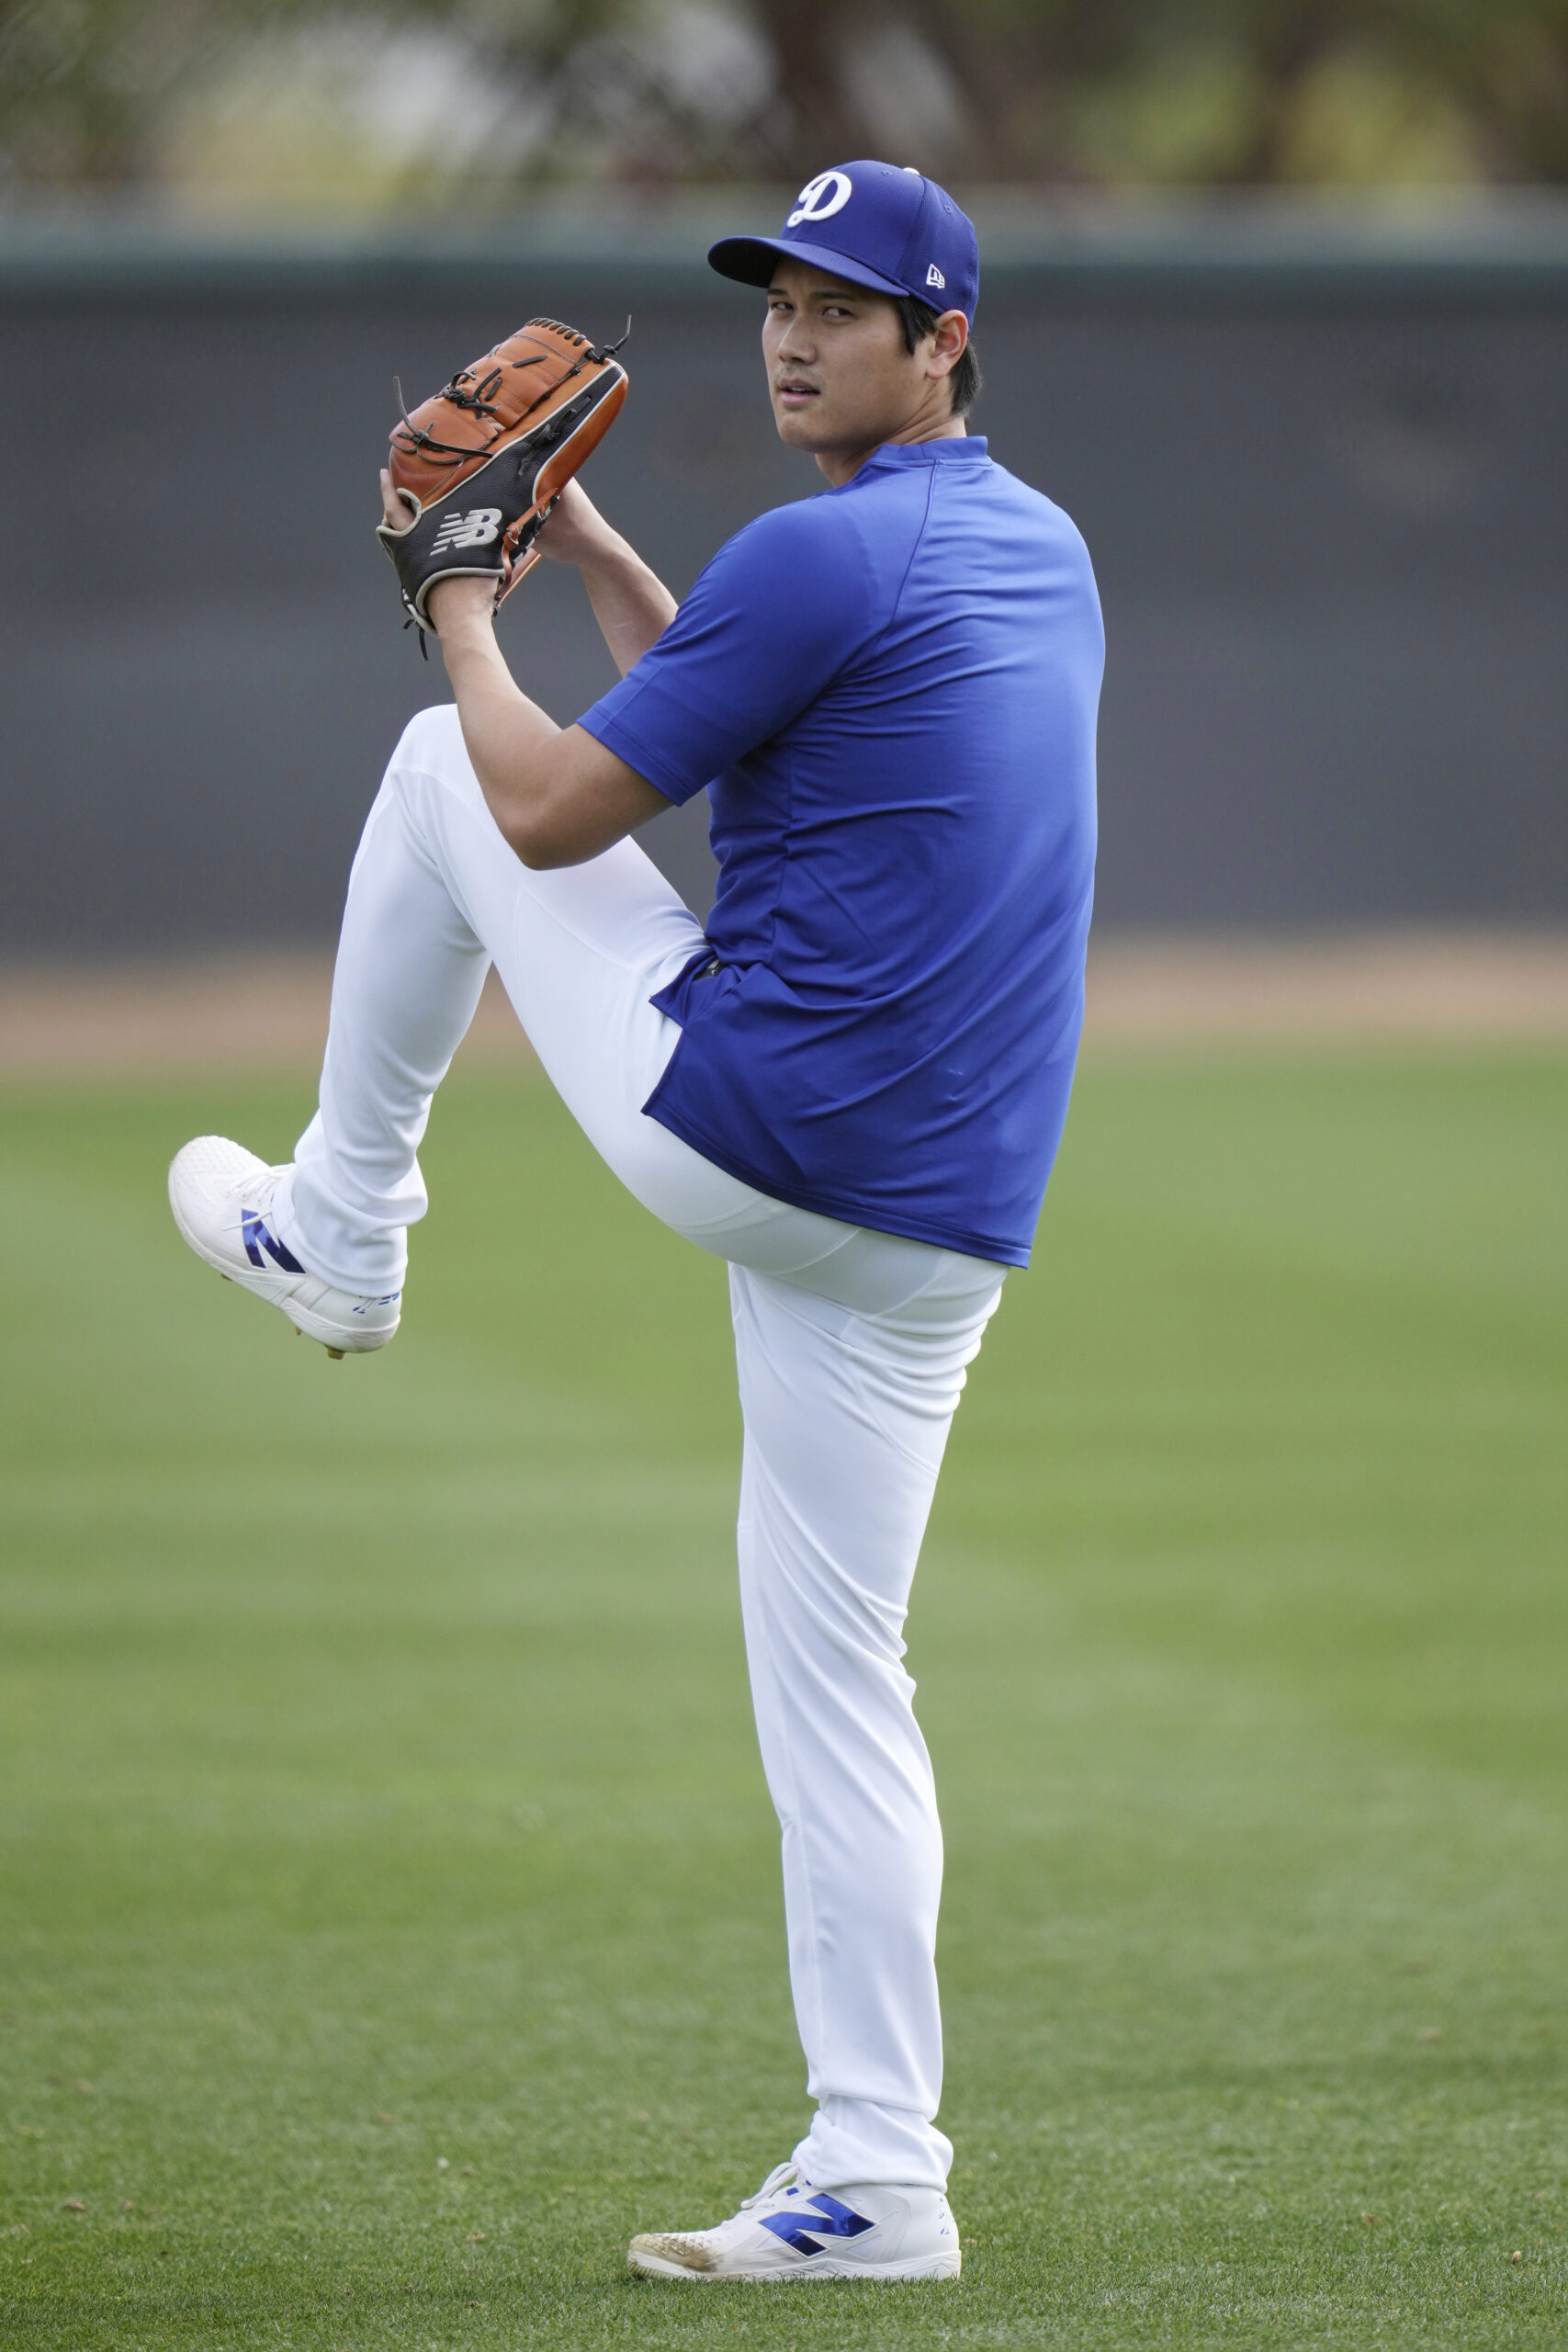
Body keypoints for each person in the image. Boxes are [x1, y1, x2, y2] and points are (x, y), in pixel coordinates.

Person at [168, 159, 1102, 2286]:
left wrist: (462, 595)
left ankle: (346, 1223)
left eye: (842, 306)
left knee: (435, 762)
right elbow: (752, 700)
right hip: (941, 1220)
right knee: (844, 1680)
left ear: (937, 338)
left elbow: (554, 806)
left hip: (750, 1129)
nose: (791, 330)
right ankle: (880, 2175)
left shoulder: (811, 551)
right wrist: (577, 535)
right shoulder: (1032, 545)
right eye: (776, 293)